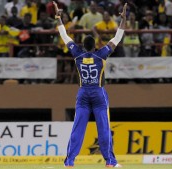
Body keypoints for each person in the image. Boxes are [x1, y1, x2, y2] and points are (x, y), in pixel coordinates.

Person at [53, 1, 126, 168]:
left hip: (83, 94)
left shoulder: (77, 54)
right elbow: (117, 37)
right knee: (104, 128)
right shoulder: (101, 54)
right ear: (95, 46)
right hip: (99, 94)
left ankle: (69, 162)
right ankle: (110, 162)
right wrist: (123, 19)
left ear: (83, 46)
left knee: (78, 128)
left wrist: (58, 18)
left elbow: (64, 36)